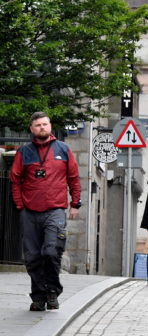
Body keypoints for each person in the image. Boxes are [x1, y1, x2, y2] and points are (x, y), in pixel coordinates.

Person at [10, 112, 81, 311]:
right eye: (38, 125)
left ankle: (52, 291)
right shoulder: (24, 152)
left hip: (55, 210)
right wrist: (20, 205)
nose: (42, 127)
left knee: (51, 251)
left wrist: (75, 204)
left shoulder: (63, 150)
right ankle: (39, 296)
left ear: (50, 126)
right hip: (30, 212)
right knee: (32, 257)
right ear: (32, 129)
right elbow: (15, 180)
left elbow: (74, 179)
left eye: (45, 124)